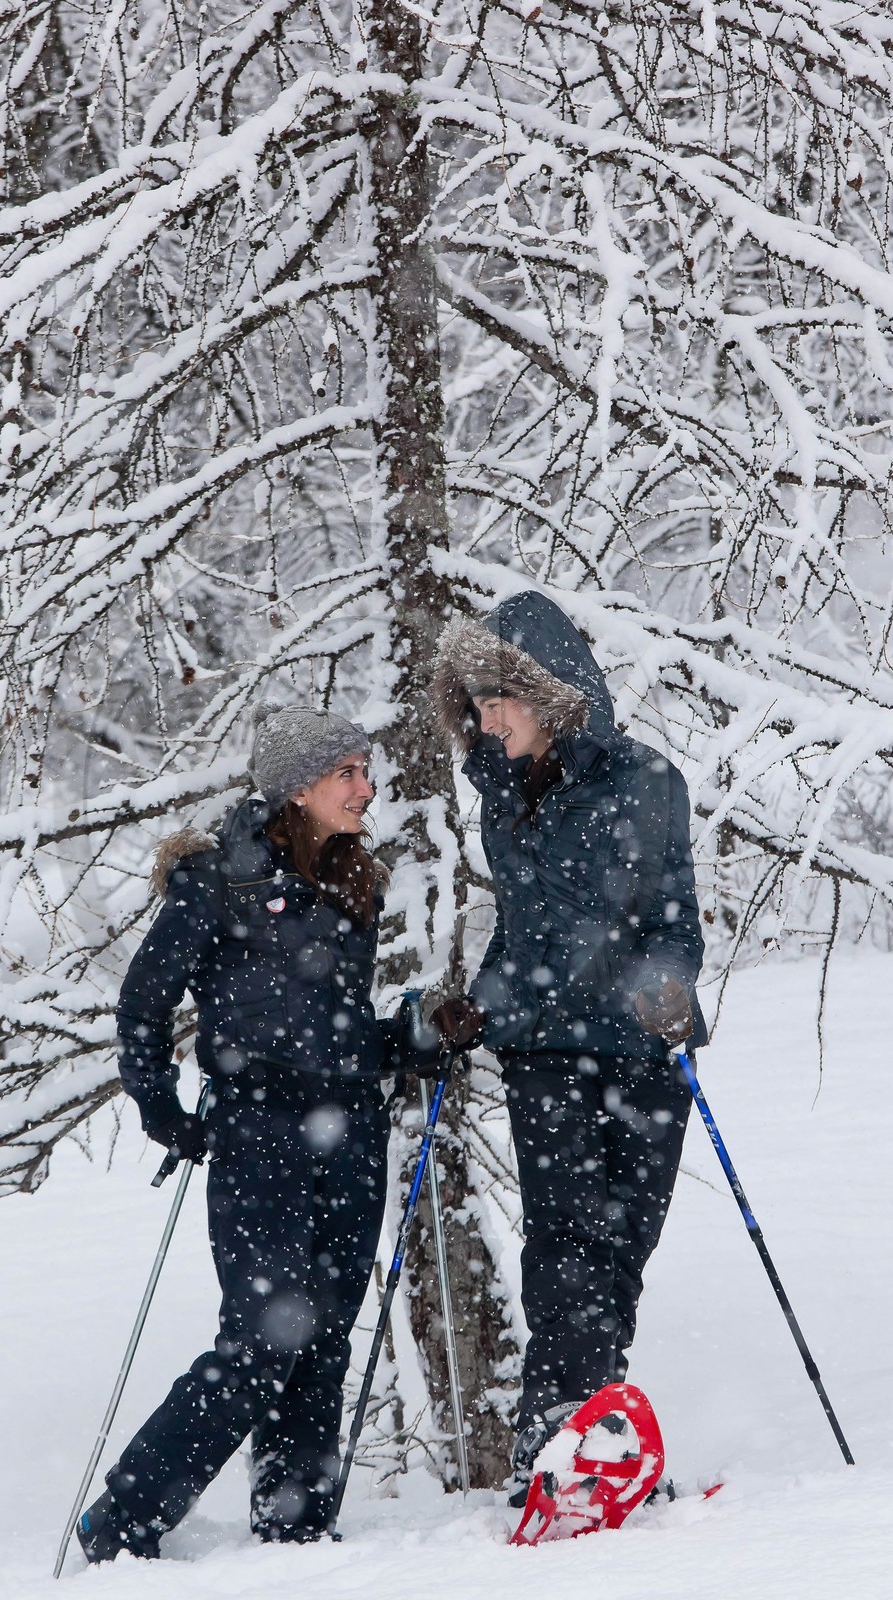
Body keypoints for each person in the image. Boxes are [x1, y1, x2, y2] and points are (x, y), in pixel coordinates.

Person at [77, 705, 410, 1561]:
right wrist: (161, 1110)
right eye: (347, 773)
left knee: (324, 1338)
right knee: (264, 1341)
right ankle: (123, 1520)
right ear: (296, 789)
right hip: (261, 1133)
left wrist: (410, 1039)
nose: (366, 789)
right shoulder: (217, 882)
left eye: (365, 771)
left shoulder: (354, 880)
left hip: (350, 1132)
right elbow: (143, 1005)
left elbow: (337, 1032)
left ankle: (295, 1529)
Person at [428, 590, 707, 1502]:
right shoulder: (499, 794)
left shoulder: (645, 779)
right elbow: (522, 930)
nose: (486, 722)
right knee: (566, 1242)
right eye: (475, 706)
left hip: (641, 1048)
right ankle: (555, 1444)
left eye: (497, 702)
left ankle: (589, 1439)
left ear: (546, 694)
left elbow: (674, 915)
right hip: (544, 1050)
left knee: (622, 1248)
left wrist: (670, 985)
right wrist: (478, 1005)